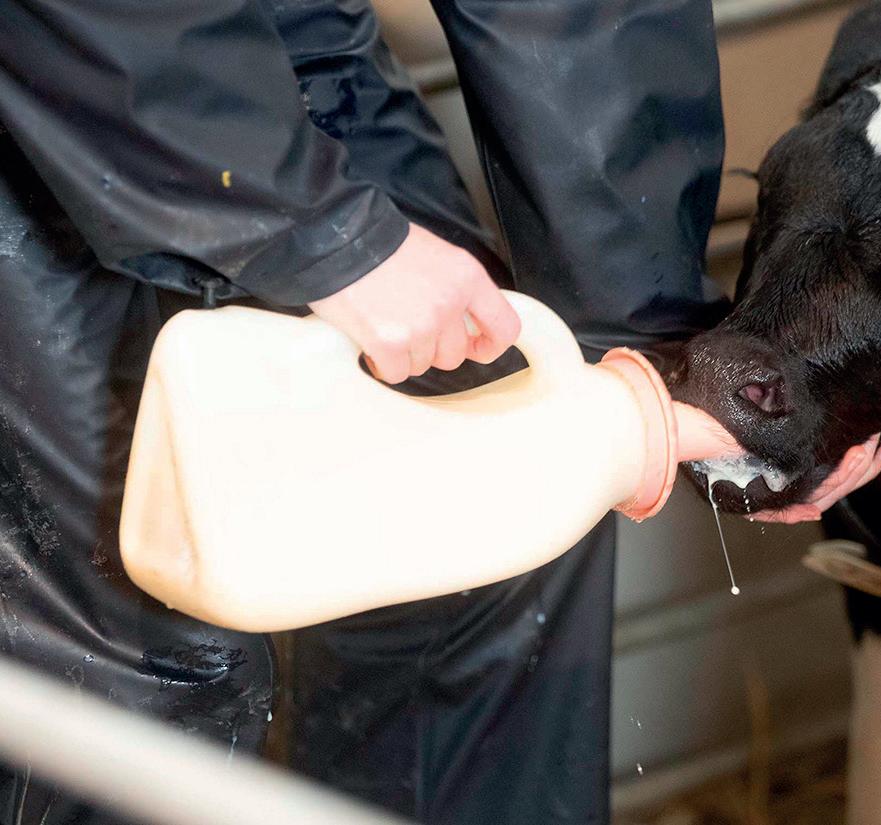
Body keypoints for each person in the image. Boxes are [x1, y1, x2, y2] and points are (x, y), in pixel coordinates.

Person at [0, 0, 726, 823]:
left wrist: (644, 347)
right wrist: (320, 232)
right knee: (129, 660)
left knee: (496, 502)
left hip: (267, 32)